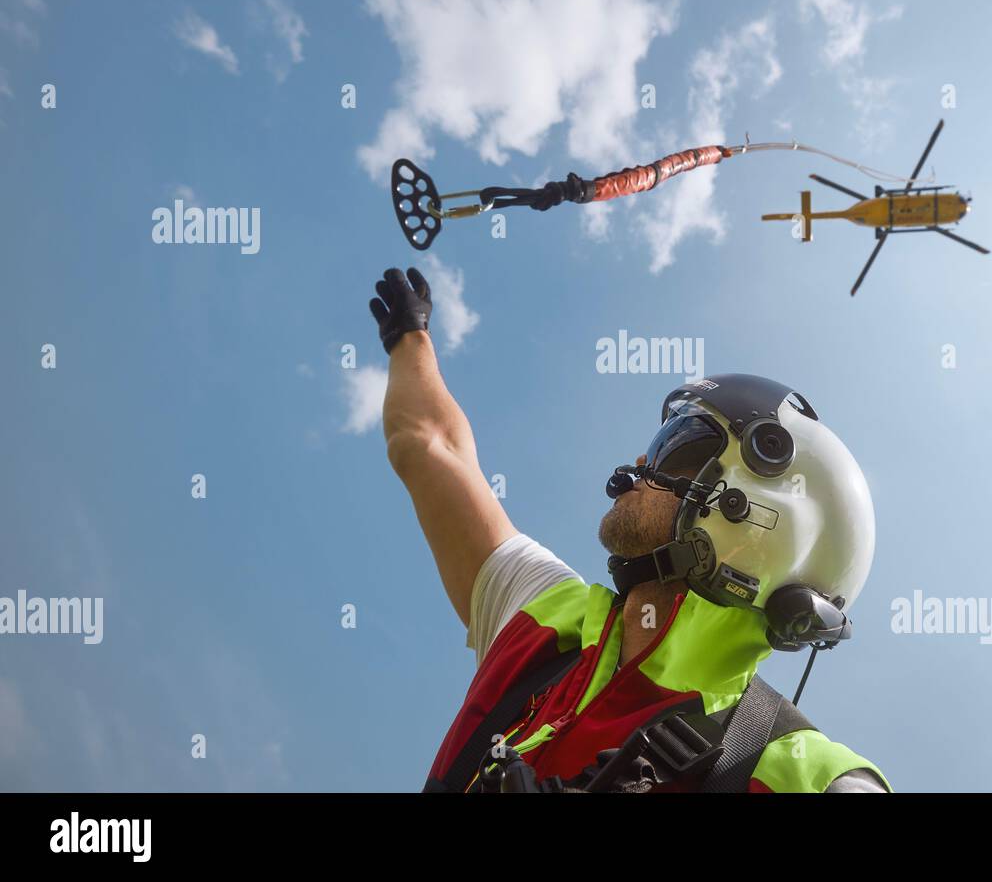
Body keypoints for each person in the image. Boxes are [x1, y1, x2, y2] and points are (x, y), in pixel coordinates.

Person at [370, 267, 891, 793]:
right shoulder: (547, 615)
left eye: (678, 446)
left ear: (759, 512)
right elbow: (429, 445)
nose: (644, 458)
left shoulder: (807, 774)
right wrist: (408, 338)